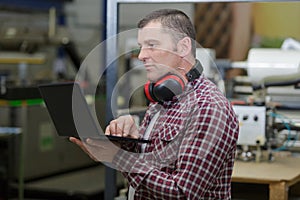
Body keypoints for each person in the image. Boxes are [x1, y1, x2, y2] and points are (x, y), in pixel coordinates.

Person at [70, 9, 239, 200]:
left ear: (183, 47)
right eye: (141, 46)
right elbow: (151, 169)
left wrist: (117, 157)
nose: (141, 55)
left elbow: (182, 193)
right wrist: (127, 144)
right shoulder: (163, 98)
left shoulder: (207, 107)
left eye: (152, 45)